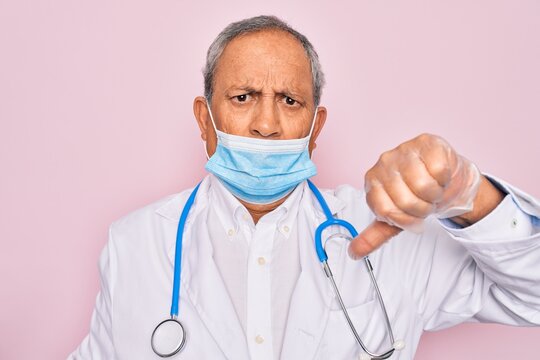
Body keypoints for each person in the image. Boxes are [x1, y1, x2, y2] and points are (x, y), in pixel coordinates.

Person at [69, 15, 540, 360]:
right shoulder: (133, 245)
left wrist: (469, 194)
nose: (267, 124)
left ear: (316, 128)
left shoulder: (391, 235)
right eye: (243, 97)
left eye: (290, 101)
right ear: (203, 118)